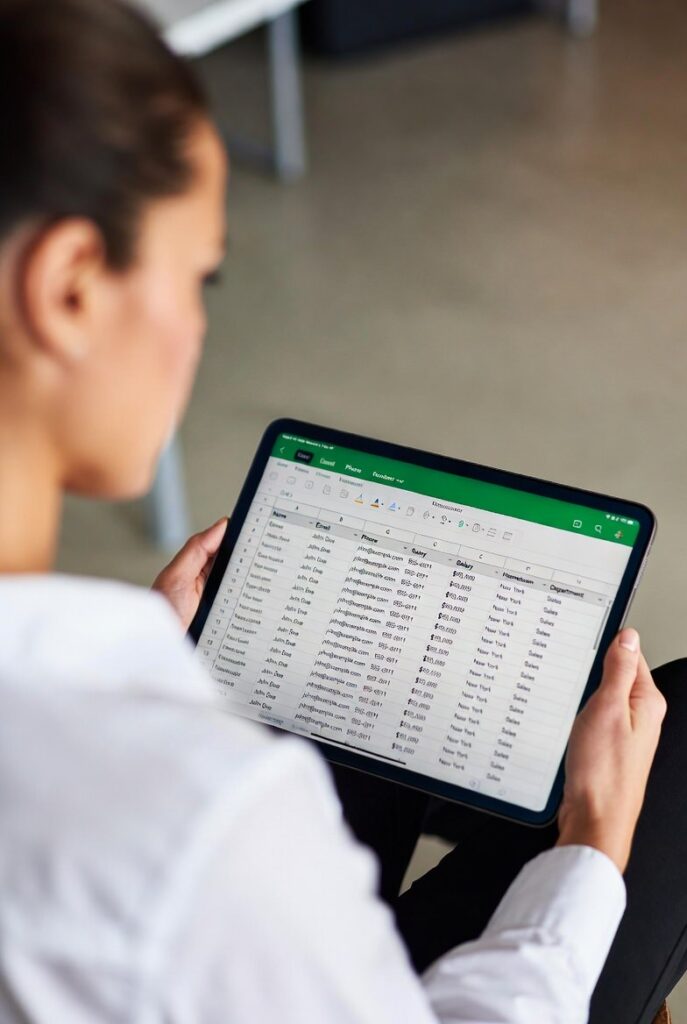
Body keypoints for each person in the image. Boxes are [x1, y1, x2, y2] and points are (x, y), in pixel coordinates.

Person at [0, 1, 683, 1022]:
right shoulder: (206, 821)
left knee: (344, 684)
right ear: (67, 288)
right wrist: (592, 843)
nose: (194, 329)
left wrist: (140, 656)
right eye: (199, 276)